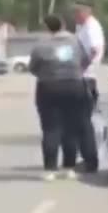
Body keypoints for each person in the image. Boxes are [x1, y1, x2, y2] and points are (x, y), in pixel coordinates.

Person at [28, 14, 95, 181]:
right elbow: (86, 61)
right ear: (63, 25)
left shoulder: (41, 45)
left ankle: (50, 169)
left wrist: (47, 74)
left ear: (47, 28)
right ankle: (68, 167)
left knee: (51, 129)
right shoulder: (75, 41)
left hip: (49, 87)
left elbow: (33, 67)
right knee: (70, 128)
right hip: (74, 86)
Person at [72, 0, 106, 168]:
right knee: (80, 121)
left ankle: (91, 161)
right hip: (84, 79)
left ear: (86, 11)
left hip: (86, 80)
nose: (74, 15)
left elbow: (94, 50)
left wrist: (80, 69)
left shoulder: (91, 26)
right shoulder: (84, 27)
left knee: (83, 122)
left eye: (77, 11)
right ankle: (86, 158)